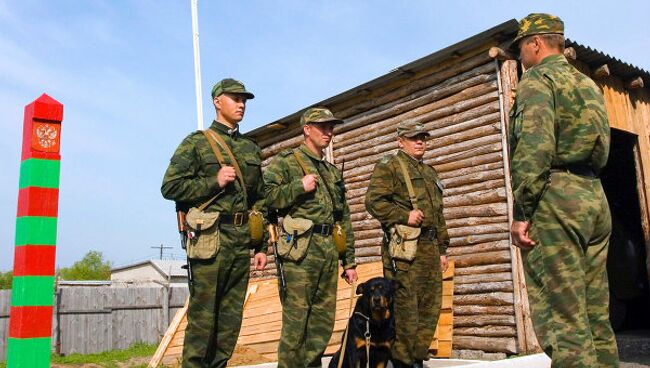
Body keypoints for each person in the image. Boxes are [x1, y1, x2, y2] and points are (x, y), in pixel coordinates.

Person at [508, 13, 619, 367]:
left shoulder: (537, 81)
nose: (520, 57)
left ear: (536, 43)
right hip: (593, 196)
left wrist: (522, 212)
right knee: (595, 313)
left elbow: (534, 148)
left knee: (563, 316)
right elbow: (603, 148)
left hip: (556, 200)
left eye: (521, 48)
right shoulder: (587, 84)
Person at [161, 78, 268, 368]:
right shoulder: (196, 143)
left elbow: (260, 199)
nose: (242, 104)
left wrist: (261, 245)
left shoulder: (250, 148)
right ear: (217, 101)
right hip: (210, 240)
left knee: (231, 319)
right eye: (235, 98)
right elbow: (170, 187)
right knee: (203, 317)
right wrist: (213, 181)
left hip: (241, 240)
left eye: (244, 99)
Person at [264, 107, 358, 368]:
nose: (329, 132)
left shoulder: (331, 172)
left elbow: (343, 217)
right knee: (296, 323)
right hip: (300, 253)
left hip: (328, 249)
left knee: (322, 322)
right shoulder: (287, 162)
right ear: (307, 129)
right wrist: (298, 187)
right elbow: (267, 200)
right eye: (323, 127)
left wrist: (348, 261)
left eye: (331, 127)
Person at [365, 122, 449, 368]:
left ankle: (416, 358)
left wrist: (442, 249)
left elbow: (439, 213)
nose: (420, 141)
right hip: (405, 250)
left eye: (423, 137)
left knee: (429, 308)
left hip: (430, 248)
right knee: (405, 310)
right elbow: (373, 202)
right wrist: (404, 216)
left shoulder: (430, 172)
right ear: (400, 141)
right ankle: (400, 362)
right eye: (414, 138)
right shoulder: (390, 166)